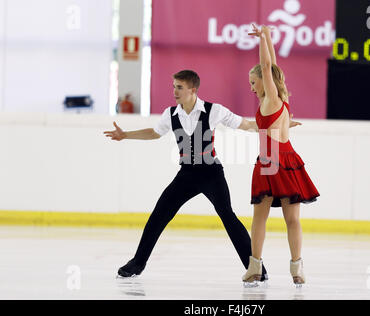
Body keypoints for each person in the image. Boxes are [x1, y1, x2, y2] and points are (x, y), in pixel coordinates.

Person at [104, 70, 300, 280]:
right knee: (158, 216)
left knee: (228, 217)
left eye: (179, 87)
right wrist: (126, 135)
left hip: (211, 174)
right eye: (174, 87)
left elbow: (246, 125)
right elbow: (154, 133)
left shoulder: (213, 110)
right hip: (186, 175)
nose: (174, 91)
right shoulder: (170, 114)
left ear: (193, 90)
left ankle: (256, 269)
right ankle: (137, 263)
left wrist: (278, 123)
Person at [242, 25, 320, 287]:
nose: (252, 88)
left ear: (264, 81)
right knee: (293, 219)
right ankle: (297, 269)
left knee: (260, 218)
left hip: (270, 159)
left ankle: (255, 267)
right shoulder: (282, 97)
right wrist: (267, 38)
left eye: (253, 82)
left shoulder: (270, 100)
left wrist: (264, 36)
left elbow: (266, 66)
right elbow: (272, 67)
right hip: (289, 159)